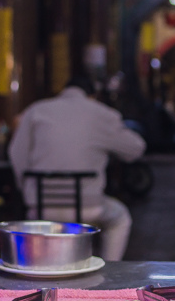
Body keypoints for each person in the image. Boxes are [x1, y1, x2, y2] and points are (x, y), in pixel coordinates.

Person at [8, 76, 146, 261]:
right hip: (87, 207)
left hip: (40, 209)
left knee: (49, 222)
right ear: (92, 96)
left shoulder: (36, 110)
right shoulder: (101, 113)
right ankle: (110, 273)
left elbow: (16, 154)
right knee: (120, 219)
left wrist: (26, 189)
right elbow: (136, 149)